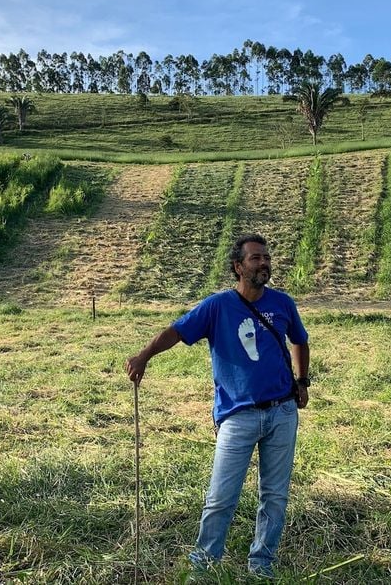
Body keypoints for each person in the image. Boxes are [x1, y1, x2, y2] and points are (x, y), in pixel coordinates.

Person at [126, 233, 310, 580]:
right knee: (221, 497)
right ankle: (204, 565)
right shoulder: (217, 306)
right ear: (238, 267)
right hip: (237, 416)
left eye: (266, 257)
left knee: (274, 497)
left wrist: (303, 382)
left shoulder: (283, 304)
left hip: (283, 412)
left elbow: (300, 340)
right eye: (255, 258)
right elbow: (177, 331)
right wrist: (145, 356)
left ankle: (262, 565)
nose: (264, 263)